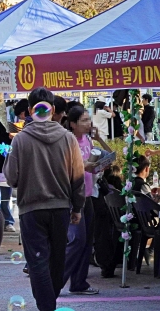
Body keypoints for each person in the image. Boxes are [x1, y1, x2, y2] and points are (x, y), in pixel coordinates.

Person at [4, 87, 85, 311]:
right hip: (60, 208)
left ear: (30, 110)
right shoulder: (68, 138)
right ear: (53, 110)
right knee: (56, 262)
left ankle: (46, 306)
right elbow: (77, 176)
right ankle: (49, 302)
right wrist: (77, 207)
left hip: (31, 209)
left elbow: (11, 178)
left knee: (38, 262)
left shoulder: (20, 140)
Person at [64, 105, 112, 295]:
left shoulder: (88, 140)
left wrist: (99, 140)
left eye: (88, 119)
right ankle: (54, 281)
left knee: (86, 242)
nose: (88, 123)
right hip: (74, 196)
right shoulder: (68, 141)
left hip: (90, 194)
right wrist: (87, 165)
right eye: (83, 120)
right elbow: (70, 165)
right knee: (77, 240)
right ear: (73, 124)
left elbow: (104, 158)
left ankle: (79, 283)